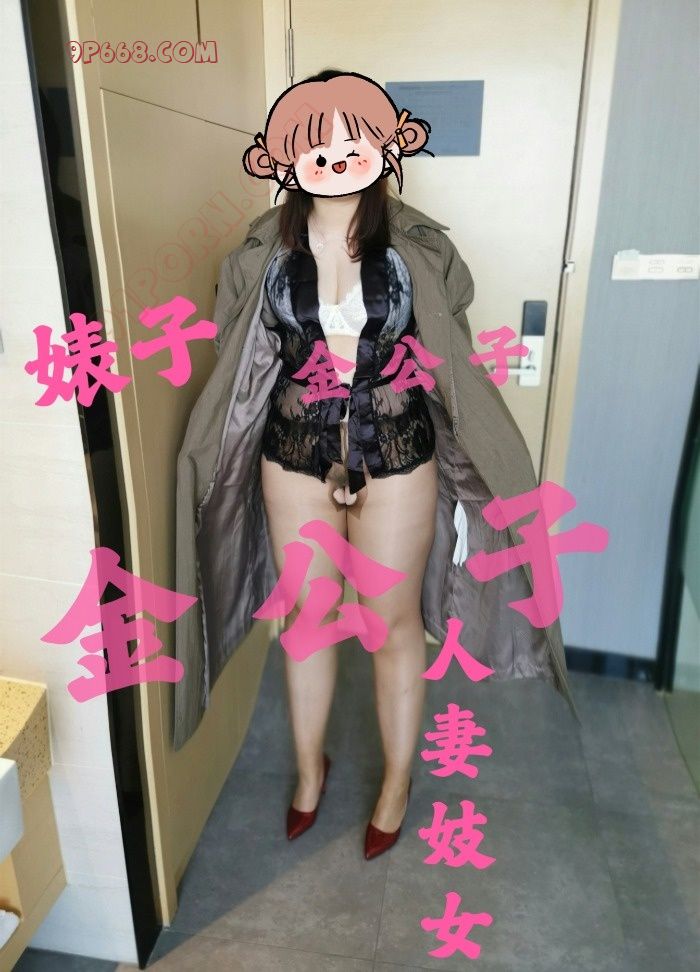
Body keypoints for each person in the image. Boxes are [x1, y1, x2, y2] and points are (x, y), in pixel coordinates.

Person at [173, 70, 575, 858]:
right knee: (308, 620)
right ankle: (309, 772)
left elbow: (448, 350)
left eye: (352, 140)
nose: (334, 157)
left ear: (388, 147)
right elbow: (239, 352)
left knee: (391, 627)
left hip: (396, 451)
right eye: (313, 144)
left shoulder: (423, 248)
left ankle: (396, 781)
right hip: (294, 452)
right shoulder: (259, 252)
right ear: (285, 158)